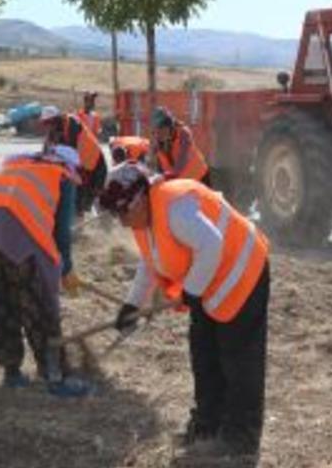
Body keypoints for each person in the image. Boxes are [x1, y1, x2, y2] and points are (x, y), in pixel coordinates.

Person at [98, 162, 270, 458]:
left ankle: (241, 442)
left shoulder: (176, 208)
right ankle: (206, 427)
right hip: (207, 283)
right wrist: (132, 304)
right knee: (204, 357)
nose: (121, 221)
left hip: (243, 271)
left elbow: (212, 244)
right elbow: (151, 261)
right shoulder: (143, 219)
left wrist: (190, 291)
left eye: (122, 212)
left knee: (238, 362)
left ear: (139, 199)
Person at [0, 145, 91, 398]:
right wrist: (66, 268)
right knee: (39, 303)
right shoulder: (61, 176)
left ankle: (11, 372)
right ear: (68, 165)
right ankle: (56, 378)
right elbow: (60, 233)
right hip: (14, 228)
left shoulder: (19, 165)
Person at [40, 106, 107, 215]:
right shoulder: (57, 128)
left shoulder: (72, 124)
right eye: (45, 124)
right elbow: (48, 147)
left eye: (49, 123)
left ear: (56, 119)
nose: (48, 127)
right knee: (80, 196)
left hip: (94, 163)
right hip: (82, 164)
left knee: (91, 195)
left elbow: (69, 151)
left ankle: (95, 218)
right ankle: (81, 216)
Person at [152, 107, 211, 186]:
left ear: (171, 127)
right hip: (180, 183)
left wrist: (168, 176)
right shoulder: (158, 141)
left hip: (198, 177)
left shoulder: (183, 133)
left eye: (163, 129)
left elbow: (183, 158)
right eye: (158, 130)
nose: (161, 133)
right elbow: (160, 165)